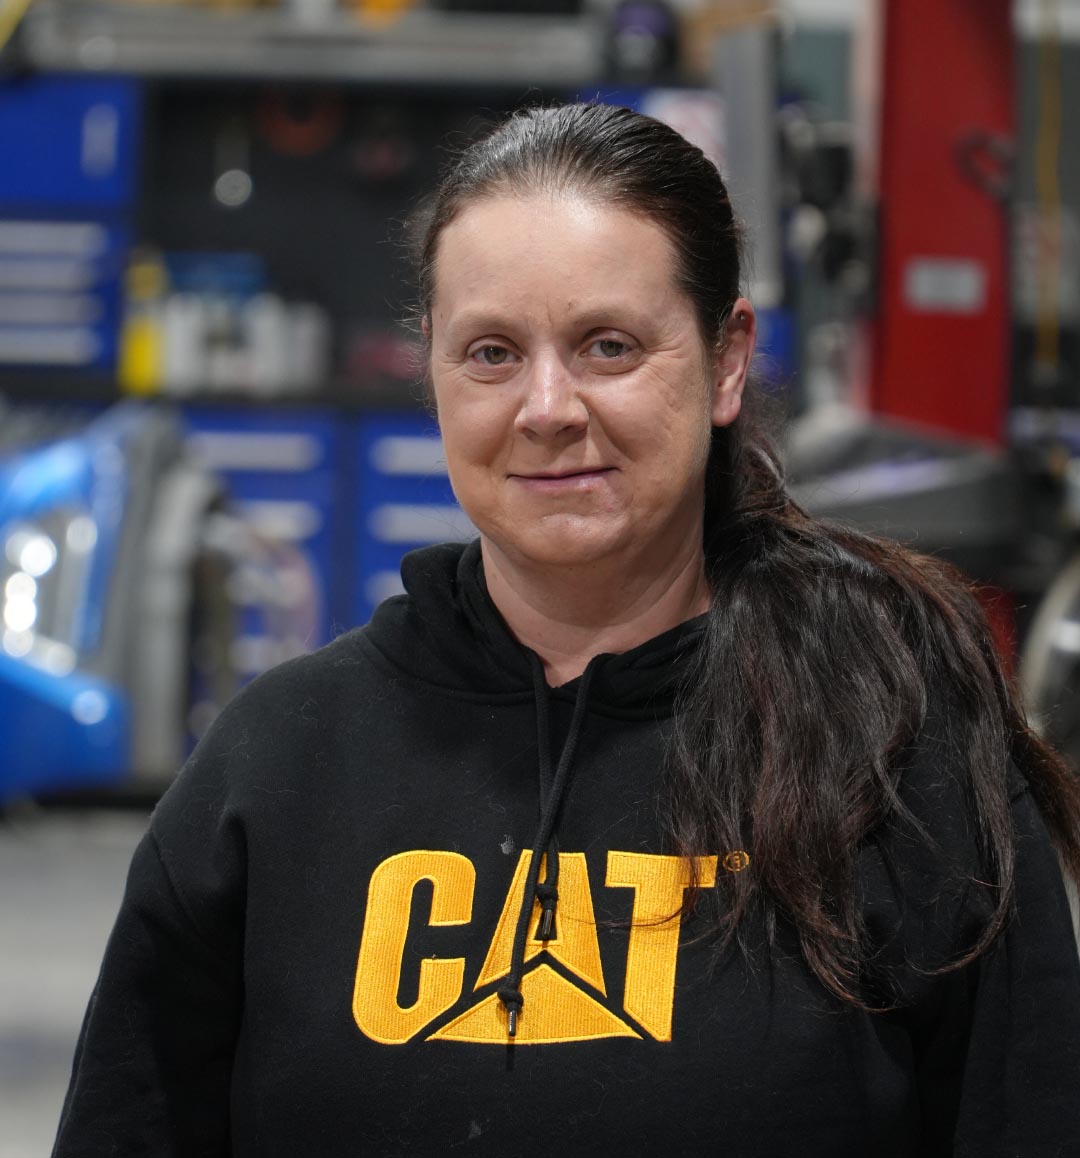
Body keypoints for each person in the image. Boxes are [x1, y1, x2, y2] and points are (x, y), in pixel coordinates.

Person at [54, 102, 1080, 1157]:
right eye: (492, 352)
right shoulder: (275, 765)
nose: (547, 407)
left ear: (727, 361)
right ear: (434, 372)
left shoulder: (896, 746)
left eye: (608, 346)